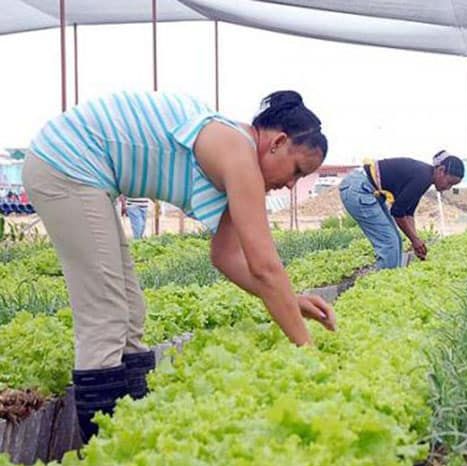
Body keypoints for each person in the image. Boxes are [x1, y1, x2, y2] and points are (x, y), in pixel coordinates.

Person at [23, 90, 336, 442]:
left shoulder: (236, 155)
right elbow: (265, 266)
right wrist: (308, 354)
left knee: (130, 313)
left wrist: (291, 301)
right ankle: (105, 450)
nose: (292, 184)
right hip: (65, 165)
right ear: (277, 142)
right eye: (297, 170)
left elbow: (227, 256)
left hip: (83, 173)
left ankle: (130, 433)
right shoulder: (238, 151)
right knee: (106, 315)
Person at [339, 151, 464, 269]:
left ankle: (389, 280)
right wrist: (415, 240)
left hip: (367, 189)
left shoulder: (425, 176)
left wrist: (416, 240)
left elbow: (408, 213)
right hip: (359, 189)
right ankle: (383, 287)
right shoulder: (423, 177)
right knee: (389, 244)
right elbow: (397, 212)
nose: (448, 188)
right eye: (449, 182)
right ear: (441, 171)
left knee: (396, 240)